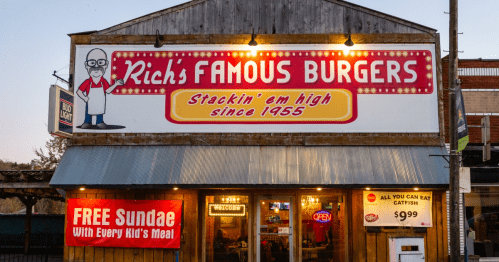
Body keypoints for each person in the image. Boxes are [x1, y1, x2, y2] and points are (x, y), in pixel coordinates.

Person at [76, 48, 124, 129]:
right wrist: (84, 98)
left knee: (100, 112)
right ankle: (87, 122)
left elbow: (108, 90)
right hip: (90, 101)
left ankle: (99, 122)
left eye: (100, 62)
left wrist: (116, 84)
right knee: (88, 113)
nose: (96, 67)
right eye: (92, 63)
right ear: (86, 65)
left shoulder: (103, 81)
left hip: (100, 102)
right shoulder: (87, 82)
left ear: (106, 65)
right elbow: (78, 91)